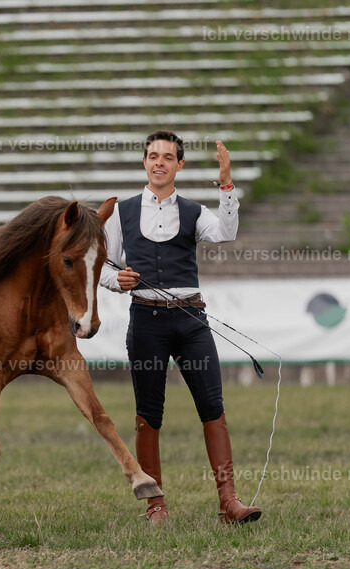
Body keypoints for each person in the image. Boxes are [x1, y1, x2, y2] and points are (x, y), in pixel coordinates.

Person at [99, 130, 261, 526]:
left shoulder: (193, 211)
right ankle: (155, 506)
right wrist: (114, 281)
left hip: (191, 323)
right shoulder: (122, 211)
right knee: (148, 414)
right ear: (144, 162)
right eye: (153, 156)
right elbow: (102, 263)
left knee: (213, 408)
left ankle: (229, 502)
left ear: (179, 165)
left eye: (167, 157)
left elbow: (227, 232)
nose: (159, 162)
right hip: (146, 323)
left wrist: (226, 183)